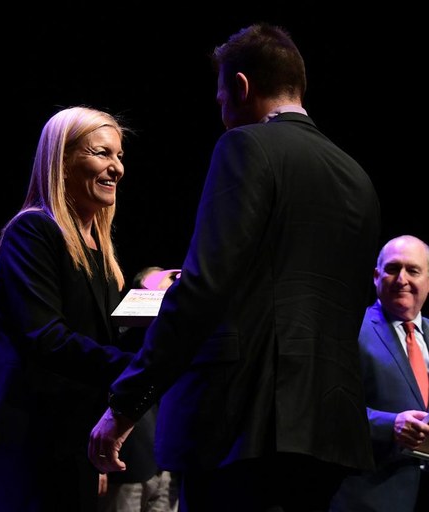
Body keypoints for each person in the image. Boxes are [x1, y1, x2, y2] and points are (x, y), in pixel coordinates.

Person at [89, 23, 382, 511]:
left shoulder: (245, 146)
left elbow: (204, 288)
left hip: (245, 425)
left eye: (222, 99)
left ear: (241, 87)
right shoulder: (358, 177)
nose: (223, 114)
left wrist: (126, 403)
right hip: (331, 429)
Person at [0, 106, 135, 512]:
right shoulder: (33, 230)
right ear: (62, 161)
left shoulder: (102, 253)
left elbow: (103, 337)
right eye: (102, 153)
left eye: (119, 155)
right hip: (20, 438)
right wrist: (136, 367)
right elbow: (45, 337)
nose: (117, 167)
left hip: (69, 436)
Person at [329, 235, 429, 512]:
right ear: (376, 277)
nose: (401, 279)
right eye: (392, 269)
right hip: (368, 497)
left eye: (413, 270)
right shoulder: (349, 329)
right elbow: (327, 410)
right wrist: (390, 425)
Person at [99, 266, 180, 512]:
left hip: (166, 466)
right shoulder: (121, 342)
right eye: (160, 288)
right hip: (129, 467)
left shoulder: (177, 345)